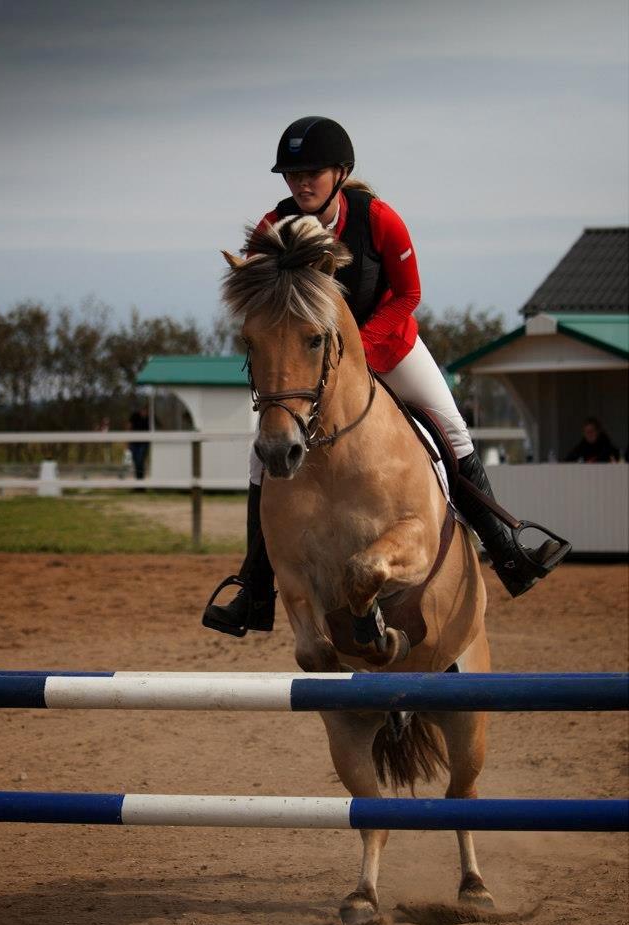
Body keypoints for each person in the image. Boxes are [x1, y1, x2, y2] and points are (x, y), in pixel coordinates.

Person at [203, 116, 570, 637]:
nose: (301, 183)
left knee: (452, 429)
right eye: (292, 174)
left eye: (312, 172)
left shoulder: (379, 219)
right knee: (260, 459)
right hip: (310, 368)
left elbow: (408, 295)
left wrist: (364, 353)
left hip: (390, 347)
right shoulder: (274, 229)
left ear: (341, 172)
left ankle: (507, 551)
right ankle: (254, 590)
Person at [128, 404, 150, 482]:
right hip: (134, 443)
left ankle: (141, 483)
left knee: (140, 462)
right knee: (136, 462)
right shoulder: (135, 416)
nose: (145, 413)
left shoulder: (149, 419)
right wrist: (128, 440)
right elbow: (129, 426)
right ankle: (138, 483)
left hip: (143, 444)